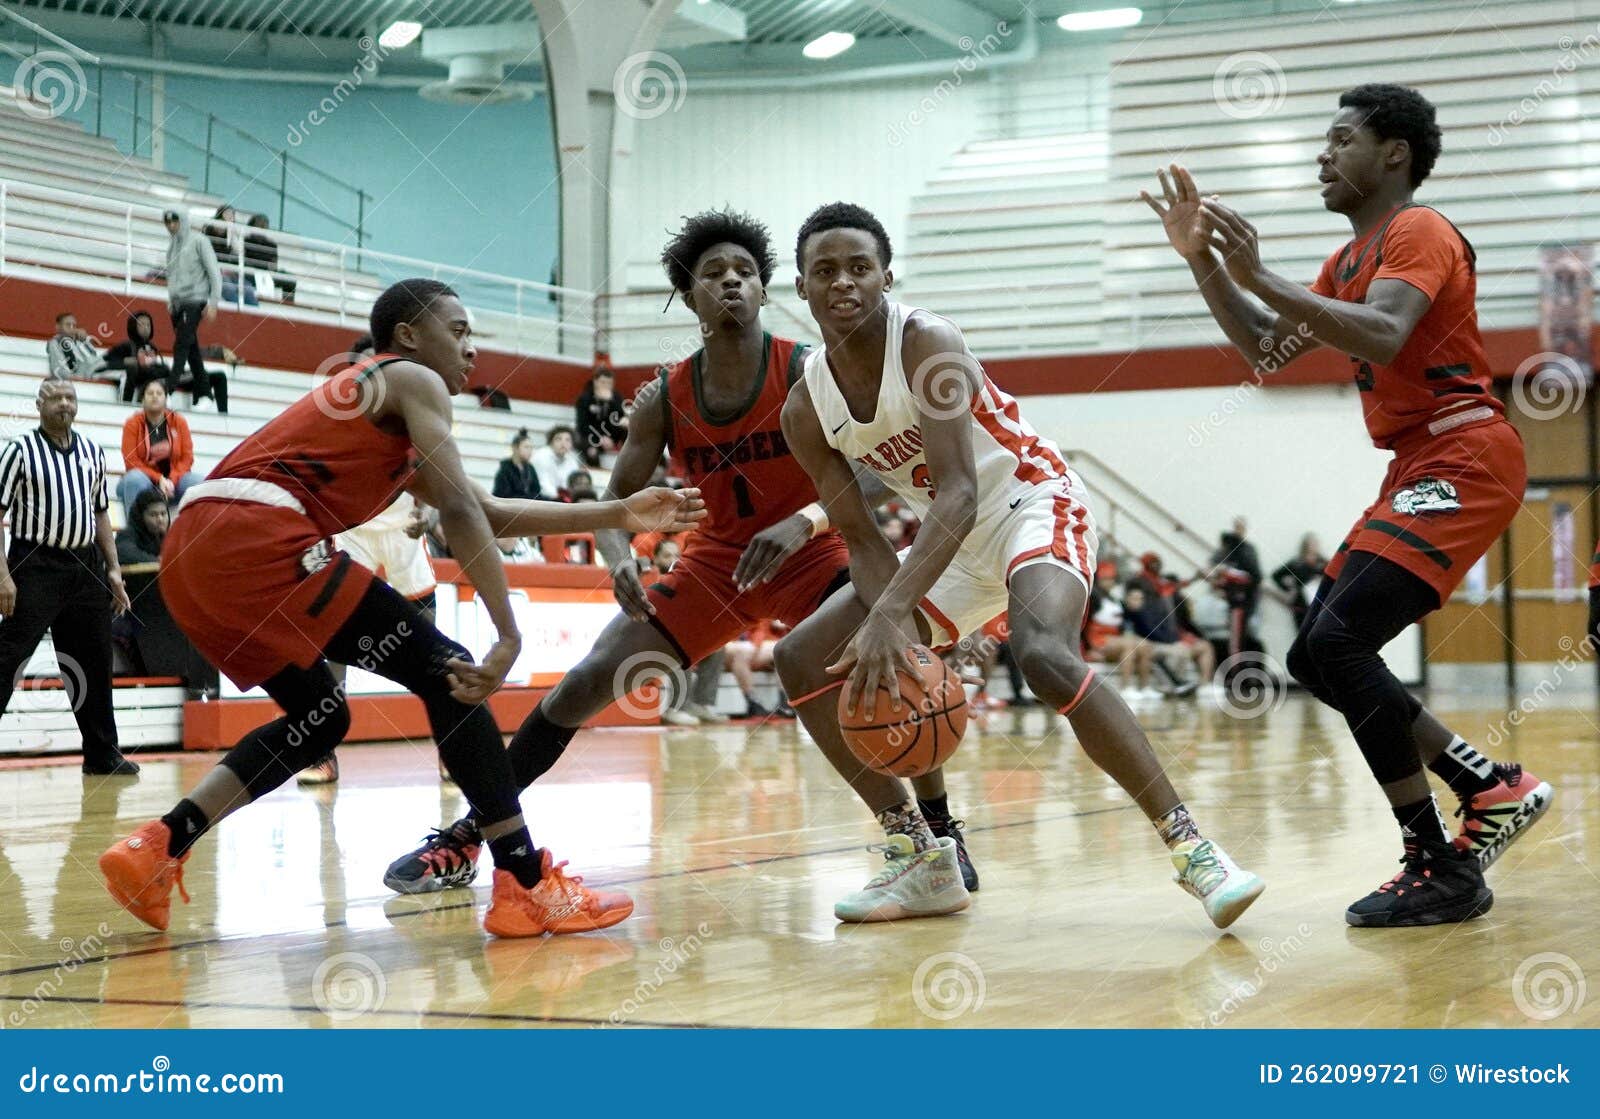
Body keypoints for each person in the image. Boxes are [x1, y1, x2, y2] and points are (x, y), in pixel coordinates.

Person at [96, 278, 705, 937]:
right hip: (255, 533)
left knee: (319, 718)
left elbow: (489, 509)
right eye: (459, 329)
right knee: (453, 669)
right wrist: (506, 631)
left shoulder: (385, 410)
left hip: (193, 554)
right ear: (410, 335)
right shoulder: (411, 377)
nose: (471, 348)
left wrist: (619, 510)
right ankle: (525, 882)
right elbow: (463, 512)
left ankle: (158, 845)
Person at [773, 201, 1262, 926]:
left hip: (1032, 499)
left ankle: (1194, 848)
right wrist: (894, 629)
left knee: (1043, 653)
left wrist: (889, 612)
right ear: (803, 286)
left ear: (886, 275)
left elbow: (964, 490)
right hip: (952, 540)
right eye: (824, 271)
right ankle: (921, 855)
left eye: (858, 267)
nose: (842, 282)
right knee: (803, 656)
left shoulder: (927, 342)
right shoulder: (805, 409)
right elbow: (864, 537)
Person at [381, 209, 880, 896]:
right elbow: (617, 502)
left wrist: (808, 519)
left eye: (744, 272)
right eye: (713, 274)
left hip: (814, 556)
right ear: (689, 296)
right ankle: (472, 833)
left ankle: (930, 832)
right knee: (586, 679)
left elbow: (880, 469)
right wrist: (618, 558)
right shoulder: (666, 396)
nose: (731, 282)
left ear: (765, 290)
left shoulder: (805, 368)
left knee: (891, 680)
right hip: (718, 568)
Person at [1145, 83, 1551, 926]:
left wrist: (1259, 270)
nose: (1321, 156)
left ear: (1393, 153)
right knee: (1312, 657)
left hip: (1465, 447)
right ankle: (1486, 782)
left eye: (1340, 140)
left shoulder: (1418, 229)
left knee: (1339, 636)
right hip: (1416, 460)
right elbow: (1265, 346)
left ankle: (1437, 859)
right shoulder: (1345, 261)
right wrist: (1208, 265)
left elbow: (1382, 332)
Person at [0, 380, 138, 776]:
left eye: (70, 398)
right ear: (39, 404)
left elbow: (100, 516)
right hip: (35, 564)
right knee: (8, 657)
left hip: (86, 566)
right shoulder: (20, 451)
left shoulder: (93, 452)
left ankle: (102, 755)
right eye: (56, 398)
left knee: (94, 661)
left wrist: (113, 570)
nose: (64, 404)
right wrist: (4, 577)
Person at [161, 209, 224, 412]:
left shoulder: (199, 241)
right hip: (178, 304)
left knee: (181, 346)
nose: (171, 226)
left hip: (195, 300)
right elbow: (171, 276)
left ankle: (168, 391)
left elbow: (214, 272)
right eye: (168, 222)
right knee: (191, 350)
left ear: (183, 221)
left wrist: (213, 302)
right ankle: (206, 394)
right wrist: (172, 300)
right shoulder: (171, 247)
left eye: (175, 221)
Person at [118, 380, 200, 514]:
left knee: (198, 482)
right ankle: (134, 533)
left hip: (173, 485)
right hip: (142, 483)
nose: (155, 396)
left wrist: (171, 481)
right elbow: (131, 461)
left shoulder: (179, 422)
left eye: (159, 393)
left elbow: (187, 459)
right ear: (143, 398)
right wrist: (159, 479)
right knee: (134, 479)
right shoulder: (132, 423)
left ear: (166, 398)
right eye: (150, 393)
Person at [1122, 585, 1213, 697]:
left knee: (1185, 649)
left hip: (1156, 644)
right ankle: (1172, 684)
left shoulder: (1147, 612)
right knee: (1176, 651)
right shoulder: (1129, 613)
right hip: (1147, 645)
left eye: (1141, 599)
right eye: (1134, 598)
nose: (1138, 602)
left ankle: (1183, 683)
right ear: (1126, 600)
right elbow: (1151, 633)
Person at [101, 312, 174, 403]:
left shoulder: (153, 347)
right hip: (122, 373)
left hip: (142, 376)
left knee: (163, 370)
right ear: (133, 326)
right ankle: (125, 404)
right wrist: (124, 362)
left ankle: (143, 403)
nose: (146, 328)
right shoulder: (125, 345)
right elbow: (105, 361)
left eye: (148, 325)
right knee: (132, 368)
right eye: (142, 324)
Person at [1271, 533, 1327, 632]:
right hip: (1301, 607)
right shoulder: (1296, 563)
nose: (1314, 546)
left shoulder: (1324, 563)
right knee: (1302, 637)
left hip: (1319, 607)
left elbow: (1334, 578)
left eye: (1316, 543)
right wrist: (1288, 588)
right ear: (1305, 545)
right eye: (1311, 543)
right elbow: (1276, 575)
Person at [575, 365, 628, 466]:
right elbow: (582, 425)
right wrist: (600, 438)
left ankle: (629, 458)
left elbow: (619, 417)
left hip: (611, 434)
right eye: (603, 382)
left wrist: (611, 402)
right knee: (591, 451)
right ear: (595, 382)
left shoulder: (616, 397)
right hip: (591, 436)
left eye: (609, 383)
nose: (606, 386)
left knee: (627, 427)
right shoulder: (584, 398)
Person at [245, 214, 296, 303]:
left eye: (264, 225)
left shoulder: (271, 244)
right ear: (252, 226)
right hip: (251, 273)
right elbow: (245, 261)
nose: (262, 227)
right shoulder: (245, 241)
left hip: (267, 274)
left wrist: (270, 269)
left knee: (289, 279)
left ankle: (287, 305)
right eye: (260, 225)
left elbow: (274, 264)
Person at [116, 487, 169, 566]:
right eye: (153, 515)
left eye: (163, 513)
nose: (160, 519)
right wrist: (157, 560)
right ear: (141, 517)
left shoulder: (169, 536)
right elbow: (124, 553)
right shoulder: (128, 534)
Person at [46, 313, 103, 380]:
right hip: (74, 380)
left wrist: (85, 340)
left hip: (91, 375)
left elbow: (93, 357)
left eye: (74, 325)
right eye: (68, 325)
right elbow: (58, 370)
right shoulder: (54, 343)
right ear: (58, 327)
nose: (72, 328)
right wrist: (75, 379)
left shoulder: (79, 342)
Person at [529, 425, 582, 497]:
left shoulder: (572, 461)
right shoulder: (541, 456)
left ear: (572, 445)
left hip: (562, 499)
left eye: (567, 440)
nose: (563, 443)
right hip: (540, 497)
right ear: (551, 442)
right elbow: (543, 485)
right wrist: (562, 497)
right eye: (559, 439)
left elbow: (570, 485)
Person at [492, 429, 542, 501]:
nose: (530, 451)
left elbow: (537, 493)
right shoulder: (505, 469)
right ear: (515, 448)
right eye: (526, 447)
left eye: (531, 447)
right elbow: (503, 495)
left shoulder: (530, 468)